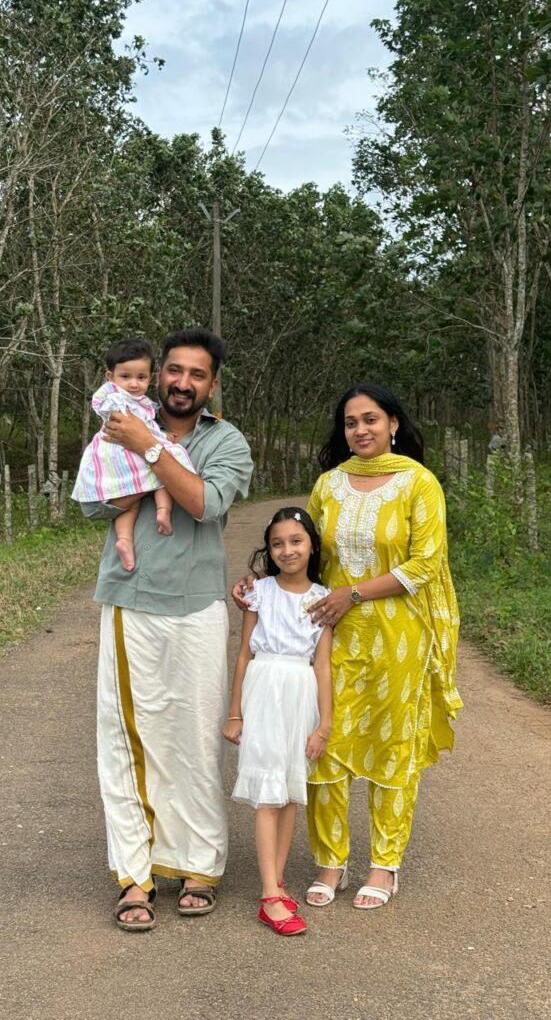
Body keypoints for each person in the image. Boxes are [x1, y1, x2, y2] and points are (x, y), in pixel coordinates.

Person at [233, 383, 462, 910]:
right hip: (330, 635)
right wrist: (258, 586)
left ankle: (384, 865)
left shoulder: (419, 483)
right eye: (351, 422)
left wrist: (352, 593)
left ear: (393, 424)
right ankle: (330, 861)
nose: (361, 430)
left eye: (371, 419)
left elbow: (424, 565)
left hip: (398, 638)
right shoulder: (329, 485)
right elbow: (305, 556)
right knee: (325, 746)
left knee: (391, 746)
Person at [81, 327, 254, 932]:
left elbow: (206, 504)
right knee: (127, 736)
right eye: (174, 371)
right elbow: (94, 500)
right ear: (159, 375)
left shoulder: (226, 440)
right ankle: (135, 874)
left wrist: (149, 453)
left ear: (212, 384)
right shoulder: (123, 419)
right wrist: (138, 458)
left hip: (197, 603)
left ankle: (199, 864)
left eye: (197, 374)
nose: (182, 383)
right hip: (130, 598)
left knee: (194, 737)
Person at [222, 508, 332, 937]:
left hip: (301, 692)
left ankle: (278, 880)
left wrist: (323, 725)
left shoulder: (322, 599)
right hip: (265, 688)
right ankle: (269, 894)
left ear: (312, 546)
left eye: (296, 541)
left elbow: (322, 665)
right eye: (277, 543)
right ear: (269, 550)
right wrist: (235, 712)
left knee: (288, 793)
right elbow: (244, 653)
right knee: (269, 794)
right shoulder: (259, 592)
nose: (287, 550)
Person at [72, 339, 196, 572]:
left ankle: (124, 539)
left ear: (151, 378)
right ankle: (163, 512)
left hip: (133, 448)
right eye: (126, 377)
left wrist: (160, 435)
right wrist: (158, 438)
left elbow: (144, 427)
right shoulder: (115, 397)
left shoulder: (143, 402)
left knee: (135, 496)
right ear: (110, 377)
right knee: (163, 470)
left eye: (141, 377)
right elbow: (131, 426)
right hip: (121, 451)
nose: (133, 384)